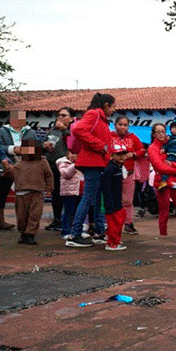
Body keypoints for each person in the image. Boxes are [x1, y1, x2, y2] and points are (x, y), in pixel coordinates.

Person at [66, 94, 115, 247]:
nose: (114, 110)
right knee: (89, 197)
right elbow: (79, 129)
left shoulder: (100, 118)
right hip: (92, 162)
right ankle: (75, 234)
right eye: (113, 106)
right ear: (106, 105)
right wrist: (101, 146)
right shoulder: (94, 114)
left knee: (97, 197)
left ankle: (99, 231)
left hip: (98, 162)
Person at [0, 109, 39, 231]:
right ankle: (0, 221)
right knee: (1, 193)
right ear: (10, 119)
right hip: (6, 167)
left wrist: (24, 151)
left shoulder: (31, 132)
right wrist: (13, 149)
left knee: (26, 194)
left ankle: (26, 222)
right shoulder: (1, 131)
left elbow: (37, 147)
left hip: (26, 167)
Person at [148, 123, 176, 238]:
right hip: (162, 182)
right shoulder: (153, 148)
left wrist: (174, 165)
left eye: (163, 131)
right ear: (153, 134)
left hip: (175, 181)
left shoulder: (172, 142)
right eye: (158, 132)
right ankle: (163, 236)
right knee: (164, 212)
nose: (161, 134)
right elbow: (160, 167)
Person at [5, 139, 53, 245]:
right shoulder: (20, 163)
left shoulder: (42, 162)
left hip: (37, 193)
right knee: (21, 216)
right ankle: (23, 233)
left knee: (34, 215)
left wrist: (49, 188)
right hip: (20, 194)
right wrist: (7, 169)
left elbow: (49, 176)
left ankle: (30, 234)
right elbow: (13, 175)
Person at [110, 115, 146, 234]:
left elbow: (142, 150)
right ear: (115, 125)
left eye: (125, 125)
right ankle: (110, 223)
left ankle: (128, 223)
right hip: (111, 172)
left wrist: (133, 154)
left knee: (127, 200)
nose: (122, 127)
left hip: (128, 173)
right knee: (111, 199)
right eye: (120, 124)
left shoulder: (133, 137)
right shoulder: (109, 136)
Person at [42, 107, 75, 231]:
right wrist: (44, 145)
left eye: (64, 115)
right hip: (52, 165)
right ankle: (57, 220)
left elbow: (74, 143)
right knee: (55, 194)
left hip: (67, 167)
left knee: (68, 194)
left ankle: (70, 221)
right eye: (59, 115)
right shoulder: (52, 130)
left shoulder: (73, 130)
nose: (60, 117)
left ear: (71, 118)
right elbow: (42, 143)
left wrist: (65, 130)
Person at [101, 143, 130, 251]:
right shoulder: (109, 169)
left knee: (119, 220)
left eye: (123, 154)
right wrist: (108, 203)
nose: (121, 157)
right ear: (112, 155)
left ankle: (114, 239)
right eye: (118, 154)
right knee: (114, 223)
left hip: (116, 201)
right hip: (111, 201)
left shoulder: (118, 167)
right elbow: (105, 187)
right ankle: (112, 243)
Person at [57, 151, 83, 241]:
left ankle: (77, 230)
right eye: (72, 153)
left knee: (78, 213)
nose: (74, 155)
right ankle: (65, 231)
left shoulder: (82, 162)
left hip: (79, 192)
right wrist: (75, 165)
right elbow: (66, 174)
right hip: (68, 193)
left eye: (76, 154)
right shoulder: (63, 163)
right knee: (68, 213)